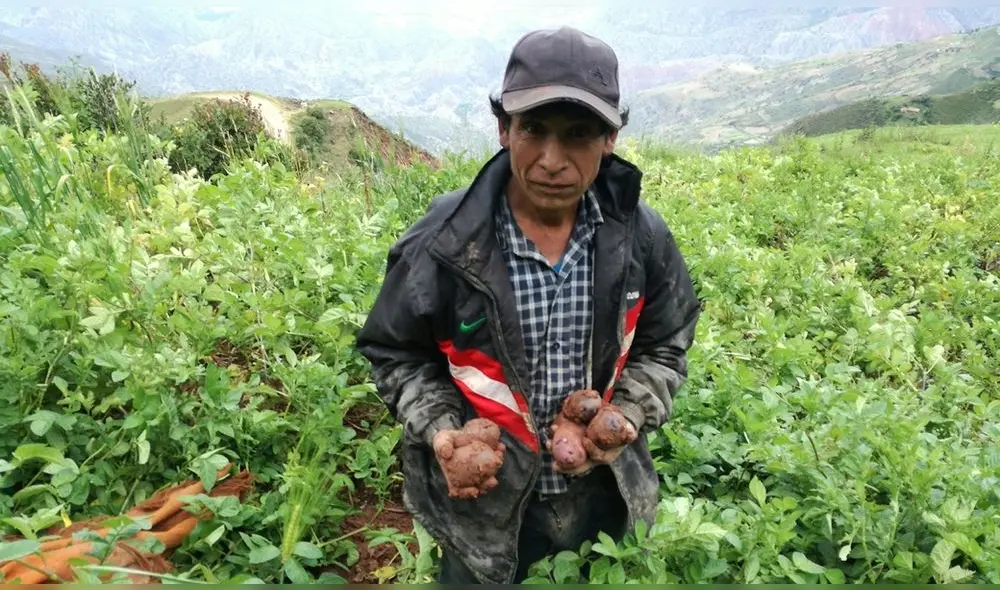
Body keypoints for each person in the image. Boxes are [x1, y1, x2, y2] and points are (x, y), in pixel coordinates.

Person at [355, 25, 701, 584]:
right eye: (533, 129)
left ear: (610, 139)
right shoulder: (443, 243)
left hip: (602, 498)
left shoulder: (640, 237)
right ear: (503, 129)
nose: (551, 159)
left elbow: (666, 342)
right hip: (482, 511)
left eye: (579, 134)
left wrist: (626, 415)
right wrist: (445, 432)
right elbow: (396, 354)